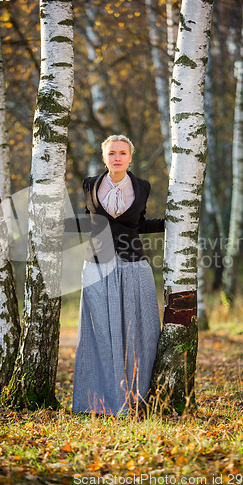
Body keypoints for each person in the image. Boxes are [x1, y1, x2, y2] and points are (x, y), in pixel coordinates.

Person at [72, 134, 165, 417]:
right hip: (97, 265)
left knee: (139, 330)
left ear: (130, 157)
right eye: (112, 153)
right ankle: (97, 402)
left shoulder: (142, 186)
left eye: (122, 153)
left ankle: (137, 399)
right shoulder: (90, 184)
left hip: (133, 264)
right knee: (97, 332)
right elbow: (89, 222)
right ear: (104, 157)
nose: (117, 157)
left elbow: (137, 224)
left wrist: (170, 222)